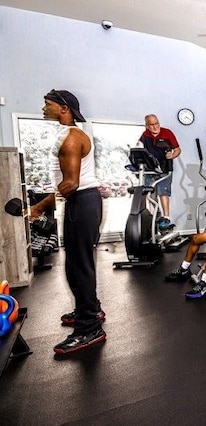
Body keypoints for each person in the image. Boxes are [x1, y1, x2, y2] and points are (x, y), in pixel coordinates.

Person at [30, 89, 105, 354]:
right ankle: (91, 310)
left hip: (82, 201)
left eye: (47, 104)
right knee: (76, 263)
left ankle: (89, 329)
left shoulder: (73, 138)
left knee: (78, 265)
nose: (43, 108)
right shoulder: (69, 135)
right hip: (80, 202)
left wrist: (38, 207)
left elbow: (71, 183)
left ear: (64, 108)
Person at [138, 114, 181, 230]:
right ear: (147, 125)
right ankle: (155, 216)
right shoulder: (145, 135)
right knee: (149, 194)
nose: (155, 126)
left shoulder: (167, 133)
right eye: (151, 124)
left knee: (163, 192)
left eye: (156, 123)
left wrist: (172, 155)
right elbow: (140, 149)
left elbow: (177, 149)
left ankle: (166, 217)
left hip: (164, 168)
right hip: (149, 169)